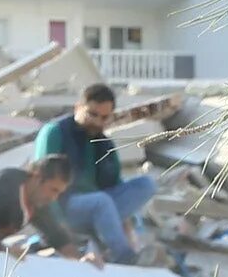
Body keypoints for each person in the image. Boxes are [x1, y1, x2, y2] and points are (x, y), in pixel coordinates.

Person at [34, 84, 156, 262]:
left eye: (104, 117)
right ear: (78, 108)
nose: (98, 122)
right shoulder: (55, 132)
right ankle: (124, 256)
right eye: (92, 115)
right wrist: (57, 230)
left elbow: (115, 185)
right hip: (64, 206)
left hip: (98, 208)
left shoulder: (104, 144)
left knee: (146, 185)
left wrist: (130, 235)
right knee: (101, 201)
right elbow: (42, 183)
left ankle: (112, 240)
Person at [0, 154, 92, 259]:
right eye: (53, 190)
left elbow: (56, 236)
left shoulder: (37, 202)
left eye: (59, 193)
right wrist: (4, 251)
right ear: (37, 177)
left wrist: (82, 260)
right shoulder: (4, 182)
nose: (54, 198)